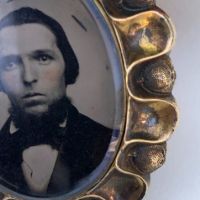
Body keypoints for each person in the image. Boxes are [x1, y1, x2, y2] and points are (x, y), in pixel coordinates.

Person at [0, 7, 112, 196]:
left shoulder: (104, 142)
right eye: (10, 64)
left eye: (43, 58)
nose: (28, 77)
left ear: (67, 65)